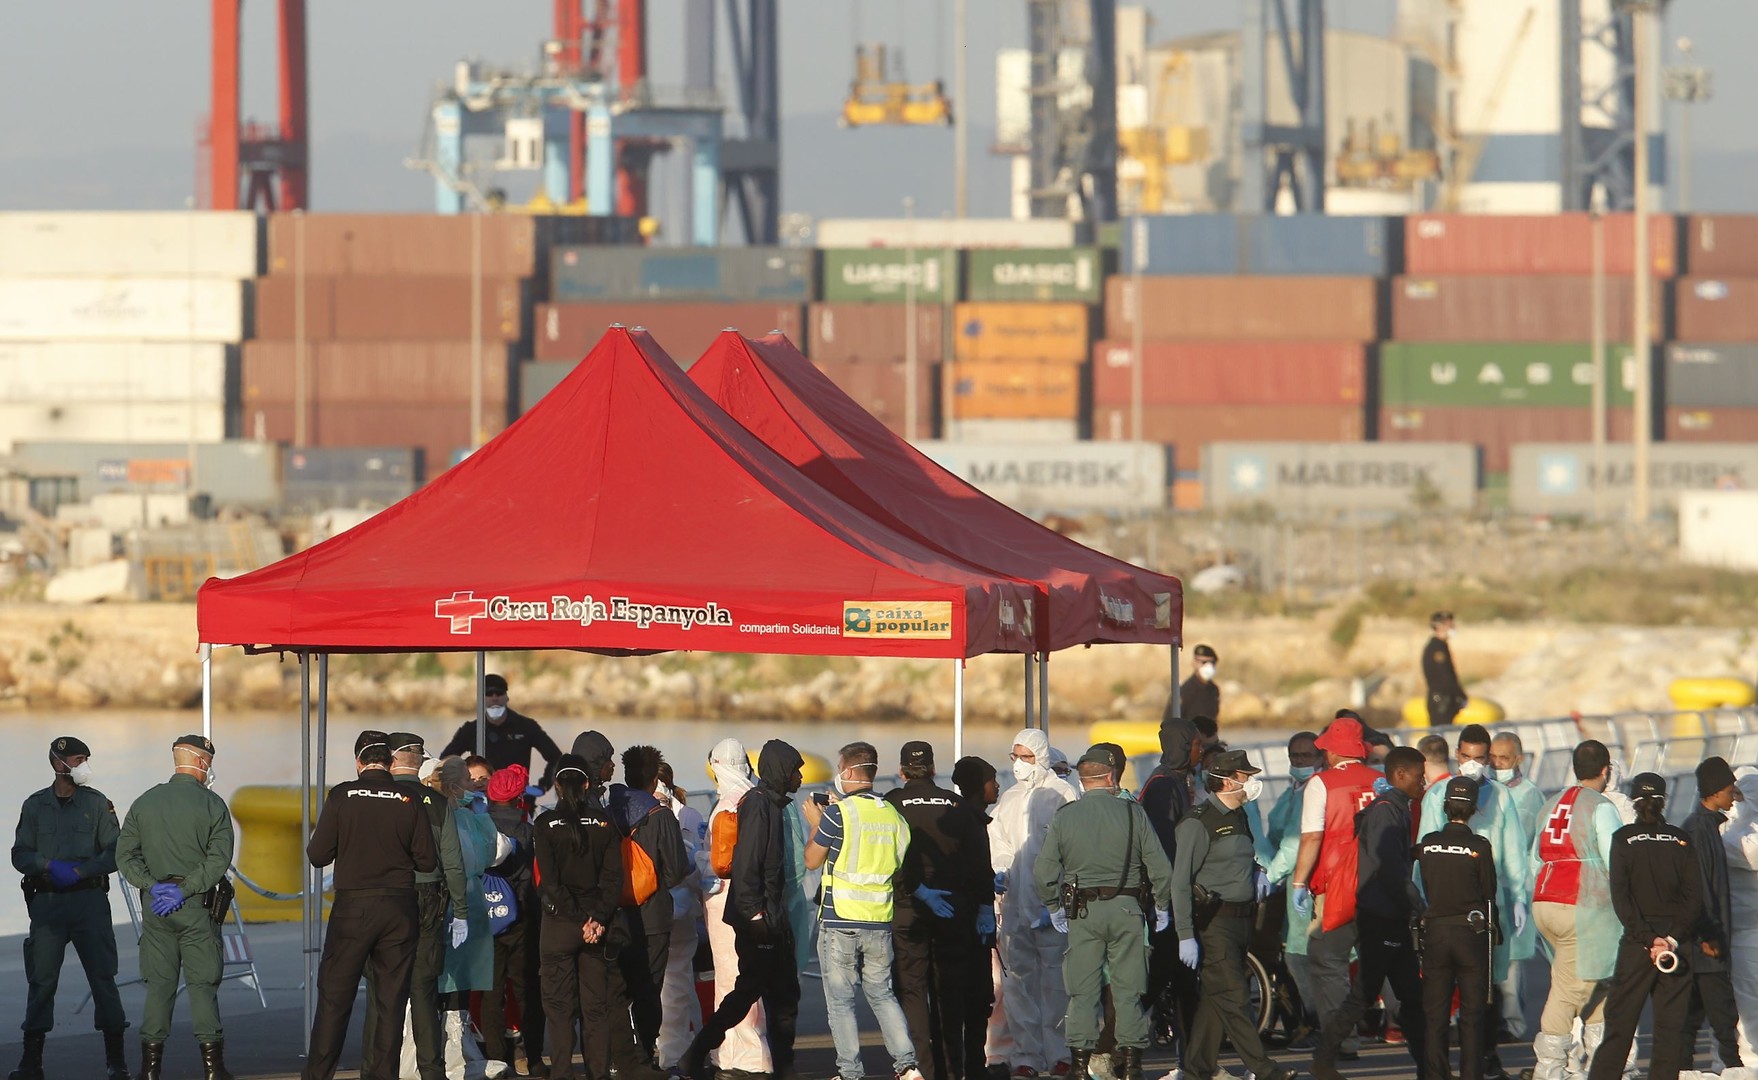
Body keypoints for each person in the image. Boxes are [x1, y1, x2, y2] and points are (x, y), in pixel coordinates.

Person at [302, 731, 439, 1080]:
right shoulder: (409, 798)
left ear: (359, 762)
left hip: (354, 907)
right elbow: (427, 861)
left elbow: (317, 855)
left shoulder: (342, 795)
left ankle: (318, 1075)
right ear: (391, 763)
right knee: (391, 1002)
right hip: (398, 908)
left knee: (335, 998)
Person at [1037, 747, 1174, 1080]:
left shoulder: (1066, 815)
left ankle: (1081, 1067)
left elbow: (1044, 872)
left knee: (1082, 992)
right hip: (1127, 910)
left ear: (1082, 781)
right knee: (1128, 991)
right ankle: (1131, 1066)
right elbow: (1160, 868)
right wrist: (1162, 905)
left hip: (1082, 913)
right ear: (1111, 777)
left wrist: (1054, 907)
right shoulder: (1132, 813)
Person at [681, 740, 806, 1080]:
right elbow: (748, 864)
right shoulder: (758, 806)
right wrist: (756, 917)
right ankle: (698, 1052)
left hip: (771, 919)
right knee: (748, 994)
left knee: (782, 997)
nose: (800, 778)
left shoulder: (774, 805)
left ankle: (784, 1068)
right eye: (795, 770)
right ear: (781, 771)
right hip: (759, 921)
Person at [116, 735, 236, 1080]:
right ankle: (213, 1070)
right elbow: (219, 860)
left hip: (157, 907)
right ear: (202, 762)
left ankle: (149, 1070)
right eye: (208, 763)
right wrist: (184, 890)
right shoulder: (213, 805)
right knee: (202, 986)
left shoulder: (145, 802)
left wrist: (154, 886)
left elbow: (125, 856)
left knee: (159, 986)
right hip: (196, 906)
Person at [8, 735, 129, 1080]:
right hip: (47, 905)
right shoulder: (34, 806)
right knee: (41, 981)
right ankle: (31, 1060)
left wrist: (82, 870)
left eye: (85, 759)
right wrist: (47, 866)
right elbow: (20, 854)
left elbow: (115, 851)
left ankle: (116, 1060)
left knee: (103, 978)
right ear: (58, 764)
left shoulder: (97, 804)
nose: (83, 766)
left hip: (88, 902)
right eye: (77, 760)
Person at [801, 741, 922, 1080]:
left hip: (840, 919)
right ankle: (908, 1067)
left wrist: (816, 822)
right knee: (882, 994)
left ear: (849, 772)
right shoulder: (892, 815)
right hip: (879, 920)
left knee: (840, 1001)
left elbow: (811, 860)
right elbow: (897, 862)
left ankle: (850, 1072)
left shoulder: (838, 814)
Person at [1418, 725, 1532, 1079]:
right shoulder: (1438, 795)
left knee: (1486, 990)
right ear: (1457, 756)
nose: (1472, 764)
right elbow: (1422, 853)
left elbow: (1513, 851)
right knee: (1454, 1000)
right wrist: (1420, 902)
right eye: (1465, 757)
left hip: (1487, 904)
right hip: (1447, 905)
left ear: (1489, 758)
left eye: (1479, 758)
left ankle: (1486, 1057)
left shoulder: (1500, 795)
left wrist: (1518, 897)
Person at [1172, 749, 1294, 1080]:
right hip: (1215, 923)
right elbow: (1180, 882)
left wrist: (1257, 872)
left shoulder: (1239, 816)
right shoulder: (1198, 823)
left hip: (1243, 920)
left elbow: (1241, 856)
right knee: (1237, 998)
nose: (1251, 783)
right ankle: (1265, 1071)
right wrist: (1185, 935)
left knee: (1216, 998)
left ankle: (1197, 1069)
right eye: (1245, 777)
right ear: (1227, 782)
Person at [1310, 747, 1427, 1080]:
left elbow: (1389, 859)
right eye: (1419, 776)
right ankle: (1322, 1061)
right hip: (1382, 917)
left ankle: (1432, 1069)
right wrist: (1418, 904)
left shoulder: (1393, 809)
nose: (1423, 782)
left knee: (1411, 997)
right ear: (1400, 775)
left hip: (1388, 916)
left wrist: (1413, 853)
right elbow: (1389, 869)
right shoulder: (1388, 812)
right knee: (1366, 994)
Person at [359, 734, 468, 1080]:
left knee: (380, 993)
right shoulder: (436, 802)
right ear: (419, 760)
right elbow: (452, 860)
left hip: (382, 900)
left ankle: (372, 1072)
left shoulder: (373, 798)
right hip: (428, 901)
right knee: (424, 993)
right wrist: (461, 911)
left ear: (391, 759)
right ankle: (432, 1072)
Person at [582, 737, 691, 1066]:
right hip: (653, 915)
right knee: (648, 989)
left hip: (613, 913)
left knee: (615, 989)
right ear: (654, 779)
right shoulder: (660, 815)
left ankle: (614, 1058)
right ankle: (645, 1054)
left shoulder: (605, 808)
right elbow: (676, 872)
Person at [886, 740, 991, 1080]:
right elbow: (979, 864)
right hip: (954, 908)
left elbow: (887, 859)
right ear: (933, 769)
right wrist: (984, 907)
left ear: (902, 771)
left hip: (907, 907)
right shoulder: (957, 805)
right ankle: (953, 1068)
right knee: (950, 991)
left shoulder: (891, 804)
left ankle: (924, 1070)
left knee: (913, 990)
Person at [1585, 774, 1700, 1080]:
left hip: (1639, 943)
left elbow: (1621, 899)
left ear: (1634, 803)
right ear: (1664, 801)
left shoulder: (1623, 839)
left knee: (1620, 1025)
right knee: (1670, 1029)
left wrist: (1650, 939)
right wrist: (1671, 939)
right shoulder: (1681, 839)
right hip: (1677, 946)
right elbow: (1694, 898)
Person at [1524, 739, 1623, 1080]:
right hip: (1582, 905)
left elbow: (1533, 859)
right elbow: (1616, 861)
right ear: (1605, 770)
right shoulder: (1601, 806)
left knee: (1594, 980)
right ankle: (1550, 1067)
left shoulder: (1551, 804)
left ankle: (1601, 1061)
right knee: (1569, 989)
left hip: (1545, 900)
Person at [1290, 714, 1379, 1067]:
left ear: (1330, 752)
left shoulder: (1320, 783)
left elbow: (1312, 836)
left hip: (1337, 885)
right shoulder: (1383, 780)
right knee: (1385, 960)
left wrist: (1299, 881)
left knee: (1328, 961)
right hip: (1379, 881)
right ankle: (1414, 1027)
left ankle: (1341, 1038)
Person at [532, 753, 625, 1080]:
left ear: (557, 785)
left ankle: (561, 1072)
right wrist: (596, 918)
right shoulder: (604, 824)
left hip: (559, 925)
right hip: (596, 927)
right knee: (595, 1008)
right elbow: (614, 879)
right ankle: (597, 1073)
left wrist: (576, 919)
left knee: (558, 1010)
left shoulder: (544, 826)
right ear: (587, 784)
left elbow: (551, 883)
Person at [991, 728, 1077, 1078]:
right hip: (1014, 905)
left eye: (1026, 757)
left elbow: (1072, 849)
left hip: (1052, 907)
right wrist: (1000, 868)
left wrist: (1057, 900)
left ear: (1041, 756)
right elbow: (999, 840)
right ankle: (1026, 1055)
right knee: (1018, 984)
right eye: (1015, 757)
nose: (1019, 765)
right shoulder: (1009, 799)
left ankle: (1060, 1053)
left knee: (1057, 982)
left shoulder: (1062, 794)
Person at [1416, 777, 1500, 1080]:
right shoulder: (1479, 846)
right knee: (1472, 1015)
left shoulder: (1427, 844)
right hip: (1470, 933)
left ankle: (1435, 1074)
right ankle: (1471, 1075)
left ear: (1444, 805)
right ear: (1474, 808)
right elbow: (1489, 893)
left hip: (1436, 932)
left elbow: (1421, 884)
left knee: (1435, 1015)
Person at [698, 740, 773, 1077]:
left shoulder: (728, 805)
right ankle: (738, 1049)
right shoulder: (760, 799)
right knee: (748, 976)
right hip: (755, 901)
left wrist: (694, 857)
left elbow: (719, 864)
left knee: (731, 977)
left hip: (726, 904)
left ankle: (740, 1054)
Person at [1137, 715, 1202, 1058]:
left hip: (1177, 896)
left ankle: (1193, 1059)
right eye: (1196, 744)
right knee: (1162, 977)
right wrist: (1171, 899)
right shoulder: (1163, 786)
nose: (1201, 750)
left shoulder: (1179, 780)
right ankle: (1111, 1049)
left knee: (1182, 982)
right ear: (1181, 746)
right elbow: (1164, 848)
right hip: (1168, 899)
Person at [1681, 756, 1745, 1073]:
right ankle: (1733, 1069)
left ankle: (1683, 1070)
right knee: (1720, 1014)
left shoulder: (1708, 825)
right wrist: (1707, 935)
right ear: (1715, 790)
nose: (1734, 794)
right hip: (1706, 941)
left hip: (1705, 937)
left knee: (1695, 1014)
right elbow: (1700, 887)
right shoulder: (1698, 830)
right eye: (1730, 788)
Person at [483, 763, 543, 1077]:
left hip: (487, 918)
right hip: (523, 919)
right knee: (527, 991)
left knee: (492, 993)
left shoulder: (479, 826)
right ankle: (532, 1058)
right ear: (519, 798)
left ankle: (495, 1059)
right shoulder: (529, 832)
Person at [1264, 731, 1321, 1043]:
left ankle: (1316, 1019)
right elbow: (1275, 835)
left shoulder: (1312, 792)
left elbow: (1293, 845)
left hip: (1303, 881)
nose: (1299, 761)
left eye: (1306, 755)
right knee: (1291, 952)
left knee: (1299, 956)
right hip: (1288, 883)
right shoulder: (1292, 792)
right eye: (1294, 756)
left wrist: (1269, 875)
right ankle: (1301, 1021)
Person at [952, 755, 1006, 1080]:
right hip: (966, 926)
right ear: (977, 786)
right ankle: (971, 1067)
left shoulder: (972, 819)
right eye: (991, 779)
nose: (997, 785)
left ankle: (972, 1065)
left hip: (972, 923)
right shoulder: (968, 822)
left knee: (977, 1000)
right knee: (974, 999)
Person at [1489, 731, 1544, 1043]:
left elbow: (1530, 846)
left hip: (1516, 888)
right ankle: (1490, 1018)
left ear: (1519, 760)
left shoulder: (1529, 794)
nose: (1497, 763)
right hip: (1489, 885)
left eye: (1504, 758)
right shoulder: (1486, 790)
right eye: (1493, 757)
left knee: (1511, 962)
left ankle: (1512, 1023)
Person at [655, 761, 708, 1071]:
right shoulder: (662, 813)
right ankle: (691, 1044)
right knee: (679, 983)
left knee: (675, 983)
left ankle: (675, 1052)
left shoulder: (687, 816)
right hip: (671, 906)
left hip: (680, 908)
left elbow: (692, 860)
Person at [440, 673, 564, 791]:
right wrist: (462, 786)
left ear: (506, 697)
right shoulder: (471, 729)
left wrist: (543, 786)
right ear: (481, 698)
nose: (494, 698)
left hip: (518, 799)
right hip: (480, 798)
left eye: (499, 693)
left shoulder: (526, 726)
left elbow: (556, 757)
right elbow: (446, 759)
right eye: (489, 693)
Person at [1718, 767, 1758, 1064]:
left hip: (1745, 932)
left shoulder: (1738, 838)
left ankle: (1749, 1060)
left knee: (1747, 1005)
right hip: (1744, 930)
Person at [1422, 612, 1466, 727]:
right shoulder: (1436, 647)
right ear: (1439, 626)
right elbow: (1444, 676)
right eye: (1449, 624)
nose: (1452, 627)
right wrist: (1459, 693)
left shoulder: (1441, 646)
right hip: (1440, 699)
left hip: (1446, 698)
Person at [1167, 644, 1220, 725]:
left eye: (1212, 662)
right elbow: (1170, 724)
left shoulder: (1213, 690)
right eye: (1204, 662)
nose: (1209, 666)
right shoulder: (1184, 692)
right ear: (1194, 663)